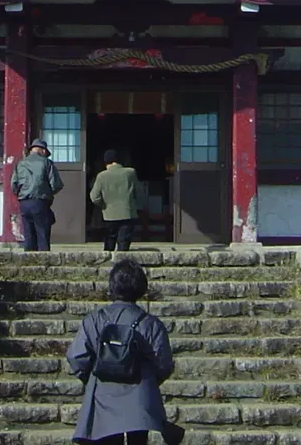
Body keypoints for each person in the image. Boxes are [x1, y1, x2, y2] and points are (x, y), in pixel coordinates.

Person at [67, 258, 182, 445]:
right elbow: (164, 363)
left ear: (112, 286)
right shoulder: (151, 324)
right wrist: (149, 379)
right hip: (140, 397)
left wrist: (93, 376)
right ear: (141, 288)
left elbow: (76, 356)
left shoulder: (94, 320)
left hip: (102, 396)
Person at [11, 137, 63, 251]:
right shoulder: (47, 163)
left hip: (24, 203)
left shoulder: (20, 163)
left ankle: (28, 257)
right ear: (43, 151)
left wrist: (21, 194)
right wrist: (48, 193)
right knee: (42, 234)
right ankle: (43, 258)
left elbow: (13, 185)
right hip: (40, 201)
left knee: (28, 235)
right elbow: (56, 185)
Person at [90, 149, 139, 252]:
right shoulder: (130, 172)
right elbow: (138, 192)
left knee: (109, 242)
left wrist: (104, 205)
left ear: (105, 162)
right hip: (128, 213)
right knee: (123, 242)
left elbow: (94, 197)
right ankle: (122, 259)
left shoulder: (101, 176)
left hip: (109, 215)